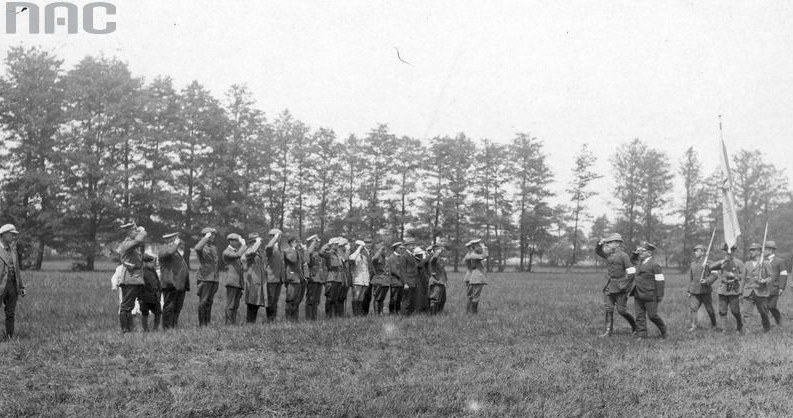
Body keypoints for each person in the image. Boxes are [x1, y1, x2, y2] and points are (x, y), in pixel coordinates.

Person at [594, 233, 637, 337]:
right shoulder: (609, 254)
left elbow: (632, 272)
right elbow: (598, 251)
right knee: (608, 309)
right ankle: (608, 332)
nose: (607, 244)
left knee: (621, 311)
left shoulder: (624, 256)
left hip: (620, 288)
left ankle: (635, 327)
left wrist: (626, 286)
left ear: (618, 243)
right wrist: (600, 243)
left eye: (610, 242)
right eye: (607, 242)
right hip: (609, 286)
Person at [632, 241, 667, 339]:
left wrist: (660, 295)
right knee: (639, 316)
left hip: (650, 294)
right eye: (640, 251)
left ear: (649, 253)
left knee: (652, 316)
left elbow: (660, 281)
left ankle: (664, 331)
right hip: (638, 293)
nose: (640, 253)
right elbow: (632, 260)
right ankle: (642, 335)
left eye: (642, 251)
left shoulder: (654, 265)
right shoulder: (639, 262)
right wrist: (635, 252)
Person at [117, 223, 147, 333]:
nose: (137, 232)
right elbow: (139, 240)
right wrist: (143, 230)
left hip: (136, 278)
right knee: (126, 305)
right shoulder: (127, 244)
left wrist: (141, 235)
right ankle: (125, 329)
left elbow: (141, 245)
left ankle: (130, 328)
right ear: (129, 232)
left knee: (131, 305)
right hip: (130, 278)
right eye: (135, 230)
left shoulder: (133, 245)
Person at [710, 244, 745, 333]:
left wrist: (735, 276)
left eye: (731, 250)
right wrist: (722, 261)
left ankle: (739, 325)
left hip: (733, 289)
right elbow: (710, 267)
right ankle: (724, 329)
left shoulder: (739, 262)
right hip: (722, 289)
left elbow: (743, 275)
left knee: (735, 310)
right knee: (722, 311)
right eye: (726, 250)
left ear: (734, 251)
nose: (729, 252)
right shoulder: (722, 262)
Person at [158, 232, 189, 329]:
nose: (178, 241)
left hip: (179, 284)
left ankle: (173, 325)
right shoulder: (163, 250)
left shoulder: (175, 251)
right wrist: (175, 244)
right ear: (169, 240)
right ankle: (167, 327)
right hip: (170, 283)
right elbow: (170, 252)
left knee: (177, 306)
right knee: (169, 306)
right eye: (175, 239)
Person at [0, 224, 25, 340]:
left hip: (12, 286)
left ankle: (9, 338)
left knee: (10, 313)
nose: (14, 237)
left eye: (15, 235)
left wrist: (21, 287)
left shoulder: (13, 249)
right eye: (12, 234)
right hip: (0, 286)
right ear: (4, 235)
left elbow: (17, 269)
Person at [687, 244, 718, 332]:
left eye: (697, 250)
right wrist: (688, 290)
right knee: (693, 308)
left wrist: (707, 280)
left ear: (703, 252)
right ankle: (694, 326)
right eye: (695, 251)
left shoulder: (710, 263)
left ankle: (714, 325)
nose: (695, 252)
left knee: (709, 309)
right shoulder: (693, 264)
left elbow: (715, 275)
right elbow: (691, 278)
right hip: (694, 291)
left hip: (705, 290)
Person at [743, 242, 771, 332]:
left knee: (763, 312)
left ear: (759, 251)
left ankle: (766, 329)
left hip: (761, 291)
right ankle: (747, 331)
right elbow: (743, 279)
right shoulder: (747, 263)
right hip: (748, 291)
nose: (751, 251)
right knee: (746, 313)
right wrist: (740, 292)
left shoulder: (765, 263)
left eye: (753, 250)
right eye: (750, 250)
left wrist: (764, 280)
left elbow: (771, 277)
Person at [194, 227, 219, 326]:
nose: (213, 237)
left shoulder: (214, 248)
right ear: (206, 236)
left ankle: (207, 323)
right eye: (211, 235)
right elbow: (197, 248)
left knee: (210, 301)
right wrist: (205, 238)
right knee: (203, 301)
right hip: (204, 277)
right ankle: (202, 324)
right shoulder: (201, 247)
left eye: (213, 235)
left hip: (213, 278)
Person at [222, 233, 248, 325]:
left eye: (238, 240)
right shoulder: (227, 252)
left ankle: (232, 323)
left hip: (237, 282)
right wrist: (243, 244)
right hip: (232, 282)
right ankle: (228, 324)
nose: (238, 242)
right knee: (231, 305)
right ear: (230, 241)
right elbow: (238, 255)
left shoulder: (235, 251)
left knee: (235, 305)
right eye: (236, 240)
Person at [243, 232, 267, 323]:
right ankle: (249, 322)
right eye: (257, 241)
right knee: (251, 303)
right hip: (252, 280)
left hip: (260, 280)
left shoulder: (260, 251)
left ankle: (252, 323)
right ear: (253, 241)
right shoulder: (249, 250)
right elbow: (250, 253)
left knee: (257, 303)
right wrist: (257, 243)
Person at [763, 241, 788, 326]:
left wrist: (781, 287)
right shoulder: (762, 261)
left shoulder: (780, 261)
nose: (763, 251)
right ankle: (766, 325)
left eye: (765, 249)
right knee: (764, 308)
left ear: (770, 250)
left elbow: (783, 275)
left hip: (774, 288)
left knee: (771, 306)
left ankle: (778, 319)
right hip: (763, 289)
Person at [322, 238, 346, 318]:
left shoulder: (337, 254)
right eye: (335, 244)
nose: (337, 245)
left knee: (335, 298)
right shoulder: (328, 253)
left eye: (337, 244)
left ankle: (334, 316)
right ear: (331, 244)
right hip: (331, 277)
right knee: (330, 298)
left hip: (338, 278)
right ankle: (328, 316)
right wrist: (328, 245)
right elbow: (321, 252)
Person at [463, 238, 488, 314]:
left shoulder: (471, 254)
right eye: (478, 245)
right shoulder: (473, 255)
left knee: (471, 296)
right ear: (473, 247)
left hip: (474, 276)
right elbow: (485, 255)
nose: (479, 247)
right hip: (477, 277)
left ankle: (469, 312)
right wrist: (484, 247)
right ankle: (473, 313)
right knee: (474, 296)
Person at [283, 236, 306, 321]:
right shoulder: (288, 250)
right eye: (297, 242)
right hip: (291, 278)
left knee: (296, 300)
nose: (298, 244)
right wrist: (293, 249)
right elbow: (292, 260)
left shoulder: (297, 252)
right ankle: (288, 319)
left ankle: (295, 319)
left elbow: (304, 262)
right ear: (292, 242)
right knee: (290, 300)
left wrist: (302, 250)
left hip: (298, 278)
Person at [264, 229, 285, 321]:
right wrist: (275, 238)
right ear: (273, 236)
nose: (280, 238)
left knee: (275, 300)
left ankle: (273, 318)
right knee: (271, 300)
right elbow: (269, 246)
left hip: (279, 278)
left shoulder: (279, 248)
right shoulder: (270, 247)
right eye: (279, 236)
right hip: (271, 278)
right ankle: (270, 319)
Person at [304, 234, 325, 320]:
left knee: (316, 300)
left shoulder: (318, 253)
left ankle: (314, 318)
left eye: (318, 242)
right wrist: (313, 241)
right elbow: (308, 255)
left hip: (319, 279)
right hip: (312, 278)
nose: (318, 244)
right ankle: (309, 318)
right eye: (316, 242)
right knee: (310, 300)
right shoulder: (308, 252)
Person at [139, 254, 162, 331]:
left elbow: (157, 282)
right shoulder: (141, 271)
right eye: (150, 262)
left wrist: (159, 292)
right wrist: (140, 298)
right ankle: (146, 329)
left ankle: (155, 329)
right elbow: (140, 286)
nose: (152, 264)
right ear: (145, 263)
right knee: (145, 313)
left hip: (155, 296)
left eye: (152, 262)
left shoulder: (153, 270)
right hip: (145, 297)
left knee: (158, 312)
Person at [349, 239, 371, 316]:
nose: (362, 248)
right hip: (357, 279)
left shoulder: (364, 257)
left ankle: (359, 313)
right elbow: (351, 259)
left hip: (364, 280)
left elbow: (366, 269)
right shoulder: (354, 255)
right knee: (356, 296)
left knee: (361, 297)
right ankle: (355, 313)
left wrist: (367, 279)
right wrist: (358, 249)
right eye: (361, 247)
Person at [400, 239, 420, 316]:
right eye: (411, 245)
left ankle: (409, 316)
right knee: (406, 300)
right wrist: (405, 283)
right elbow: (402, 271)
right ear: (406, 246)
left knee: (412, 300)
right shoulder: (404, 256)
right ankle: (404, 316)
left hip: (413, 282)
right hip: (408, 282)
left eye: (414, 245)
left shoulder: (412, 255)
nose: (413, 246)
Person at [369, 244, 390, 315]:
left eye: (385, 249)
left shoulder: (385, 258)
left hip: (385, 280)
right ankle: (377, 314)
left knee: (382, 298)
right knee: (377, 298)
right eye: (383, 250)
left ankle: (381, 313)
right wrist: (379, 250)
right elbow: (374, 259)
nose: (385, 251)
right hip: (378, 279)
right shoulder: (377, 258)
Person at [426, 245, 448, 315]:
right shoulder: (433, 259)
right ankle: (432, 316)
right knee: (434, 299)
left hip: (441, 281)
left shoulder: (440, 259)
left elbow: (443, 271)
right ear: (435, 251)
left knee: (442, 299)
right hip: (436, 281)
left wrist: (446, 281)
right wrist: (438, 252)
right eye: (438, 249)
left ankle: (438, 313)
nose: (441, 251)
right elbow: (434, 258)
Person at [386, 242, 405, 315]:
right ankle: (391, 312)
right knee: (394, 298)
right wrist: (403, 277)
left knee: (399, 298)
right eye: (400, 248)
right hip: (395, 281)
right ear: (396, 248)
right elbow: (394, 270)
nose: (401, 249)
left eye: (401, 248)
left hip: (400, 281)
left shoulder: (400, 257)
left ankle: (397, 311)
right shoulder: (392, 257)